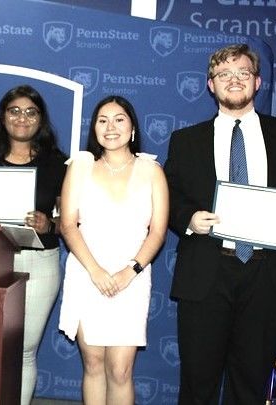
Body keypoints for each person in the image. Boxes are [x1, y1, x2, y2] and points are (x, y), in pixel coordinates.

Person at [164, 44, 276, 404]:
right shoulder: (186, 140)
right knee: (198, 383)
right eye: (224, 74)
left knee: (250, 383)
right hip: (207, 274)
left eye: (243, 73)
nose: (234, 80)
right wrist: (188, 219)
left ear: (258, 82)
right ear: (210, 84)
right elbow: (169, 197)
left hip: (267, 275)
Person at [58, 95, 168, 405]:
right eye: (102, 120)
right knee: (93, 365)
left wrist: (129, 271)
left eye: (119, 119)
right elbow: (68, 225)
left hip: (131, 278)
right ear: (94, 128)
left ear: (132, 127)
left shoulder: (151, 170)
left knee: (120, 371)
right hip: (87, 274)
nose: (110, 127)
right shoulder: (80, 166)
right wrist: (95, 271)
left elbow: (157, 231)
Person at [0, 84, 67, 405]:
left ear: (41, 119)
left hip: (39, 264)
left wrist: (47, 224)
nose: (22, 118)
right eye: (14, 111)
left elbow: (67, 222)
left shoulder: (57, 163)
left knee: (23, 350)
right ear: (3, 116)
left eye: (30, 112)